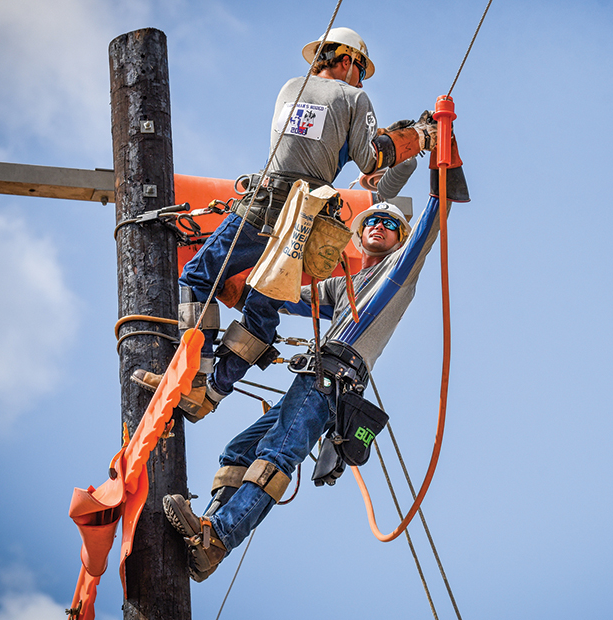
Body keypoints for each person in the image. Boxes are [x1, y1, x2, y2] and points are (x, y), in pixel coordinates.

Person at [162, 144, 468, 581]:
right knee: (239, 451)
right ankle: (204, 529)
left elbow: (433, 222)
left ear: (400, 239)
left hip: (335, 379)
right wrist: (232, 286)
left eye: (390, 224)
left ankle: (218, 538)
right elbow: (285, 297)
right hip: (314, 377)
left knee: (276, 454)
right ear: (359, 237)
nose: (379, 225)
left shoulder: (400, 273)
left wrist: (441, 157)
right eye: (373, 221)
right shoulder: (344, 285)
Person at [132, 27, 434, 422]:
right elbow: (370, 160)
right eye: (360, 71)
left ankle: (197, 378)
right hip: (304, 219)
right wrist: (419, 138)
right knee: (244, 297)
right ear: (347, 62)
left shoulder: (292, 87)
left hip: (270, 199)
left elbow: (320, 138)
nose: (362, 81)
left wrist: (390, 139)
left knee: (201, 279)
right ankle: (208, 388)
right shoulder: (355, 96)